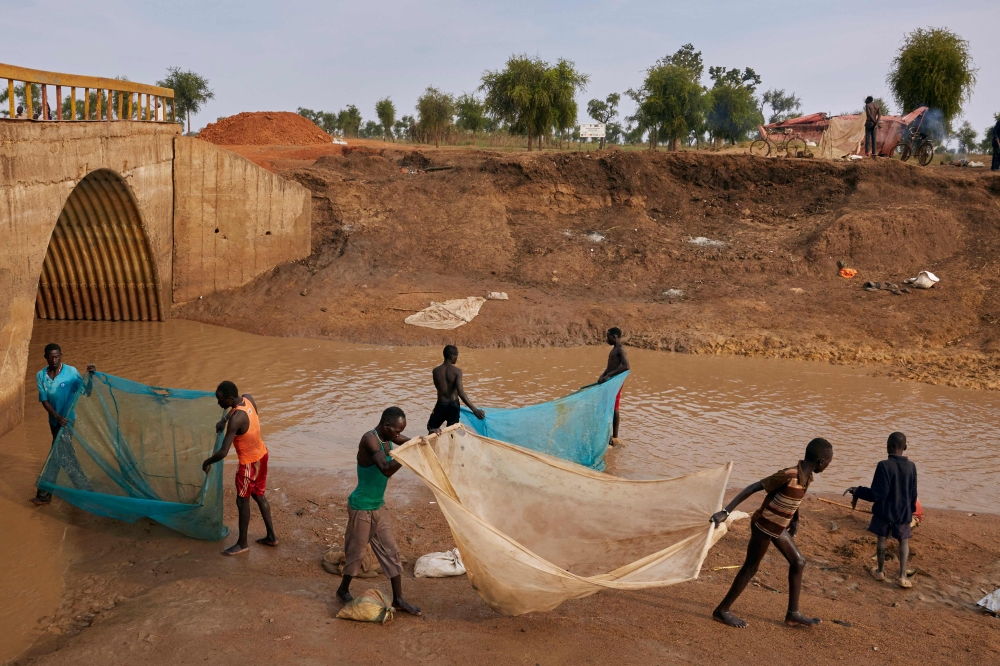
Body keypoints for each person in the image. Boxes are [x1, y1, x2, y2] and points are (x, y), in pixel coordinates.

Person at [709, 438, 834, 629]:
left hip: (778, 527)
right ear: (821, 462)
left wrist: (795, 519)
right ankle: (722, 611)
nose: (828, 466)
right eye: (829, 463)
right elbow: (753, 488)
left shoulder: (807, 477)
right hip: (763, 525)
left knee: (798, 562)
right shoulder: (788, 474)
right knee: (751, 568)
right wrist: (725, 512)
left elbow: (796, 497)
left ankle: (793, 615)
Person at [337, 407, 422, 616]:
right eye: (396, 431)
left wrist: (424, 441)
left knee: (391, 551)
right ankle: (343, 589)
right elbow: (385, 467)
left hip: (378, 506)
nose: (398, 435)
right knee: (356, 554)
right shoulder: (370, 440)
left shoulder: (387, 437)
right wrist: (405, 456)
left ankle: (399, 599)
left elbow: (408, 442)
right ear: (386, 426)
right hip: (361, 508)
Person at [201, 381, 277, 556]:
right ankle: (272, 537)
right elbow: (236, 411)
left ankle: (242, 543)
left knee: (242, 502)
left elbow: (223, 452)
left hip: (249, 463)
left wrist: (207, 462)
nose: (219, 404)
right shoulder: (247, 398)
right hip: (262, 455)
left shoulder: (235, 420)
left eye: (220, 400)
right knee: (259, 495)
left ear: (229, 398)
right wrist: (224, 419)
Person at [844, 432, 918, 589]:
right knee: (903, 541)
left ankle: (880, 571)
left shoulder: (883, 465)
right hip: (903, 511)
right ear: (905, 447)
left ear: (887, 447)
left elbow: (877, 493)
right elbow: (913, 493)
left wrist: (858, 491)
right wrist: (910, 511)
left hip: (884, 511)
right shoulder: (911, 467)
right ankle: (902, 575)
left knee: (882, 539)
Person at [29, 344, 96, 505]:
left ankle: (44, 495)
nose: (54, 360)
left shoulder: (71, 372)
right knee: (65, 457)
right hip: (54, 421)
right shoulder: (41, 375)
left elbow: (86, 392)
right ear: (45, 357)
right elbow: (44, 400)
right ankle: (85, 489)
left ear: (61, 356)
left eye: (57, 356)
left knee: (56, 456)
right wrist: (56, 416)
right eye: (51, 357)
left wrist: (91, 377)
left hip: (67, 422)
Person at [427, 345, 484, 433]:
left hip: (441, 404)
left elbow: (438, 388)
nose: (457, 358)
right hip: (454, 406)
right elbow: (461, 393)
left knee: (431, 427)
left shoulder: (435, 371)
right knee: (451, 431)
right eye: (457, 356)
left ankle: (433, 445)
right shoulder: (457, 371)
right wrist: (474, 410)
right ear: (451, 356)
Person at [597, 327, 629, 446]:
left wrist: (609, 375)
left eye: (608, 337)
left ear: (614, 337)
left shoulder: (620, 350)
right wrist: (603, 375)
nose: (607, 339)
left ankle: (615, 437)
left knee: (615, 408)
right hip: (610, 382)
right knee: (607, 405)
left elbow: (626, 366)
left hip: (616, 383)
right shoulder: (614, 349)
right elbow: (610, 366)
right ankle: (606, 432)